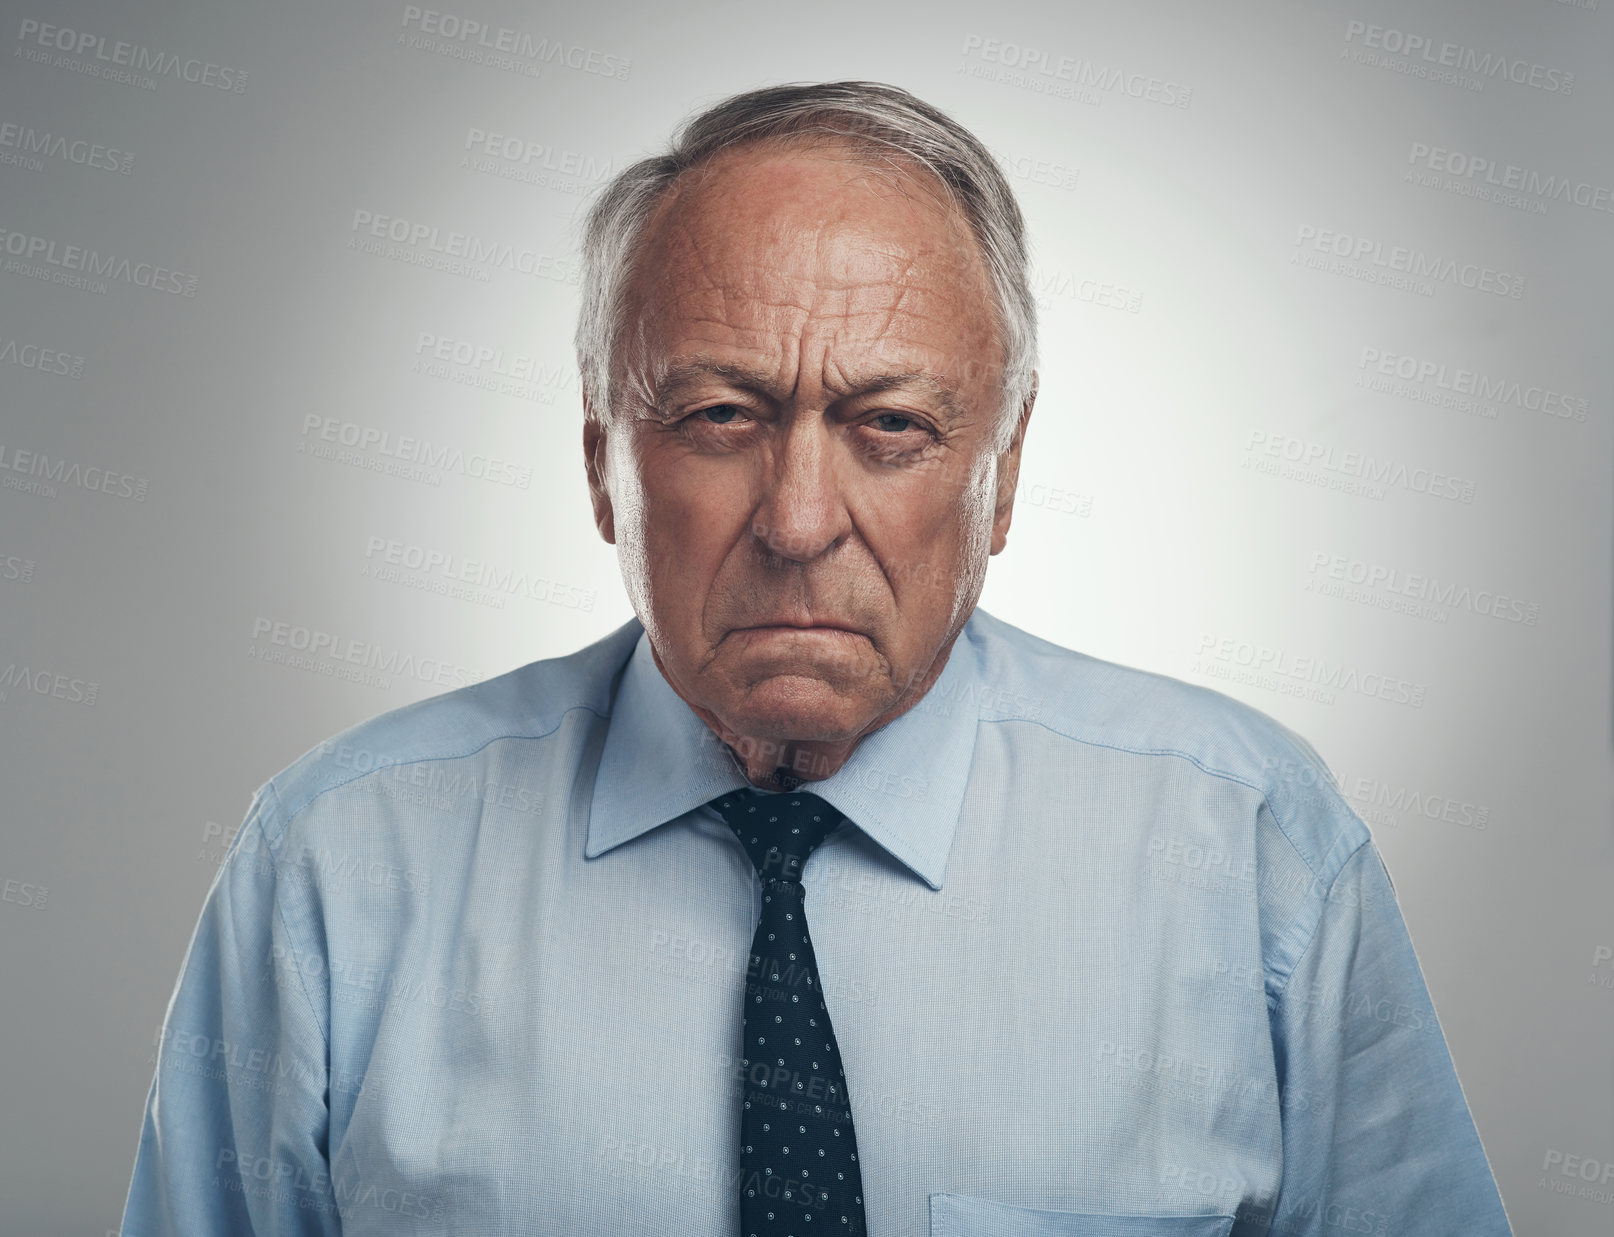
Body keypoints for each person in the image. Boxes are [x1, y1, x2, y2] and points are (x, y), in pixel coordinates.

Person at [120, 81, 1512, 1236]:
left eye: (890, 426)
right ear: (602, 462)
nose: (796, 521)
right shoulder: (338, 863)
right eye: (720, 414)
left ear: (1003, 473)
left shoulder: (1251, 845)